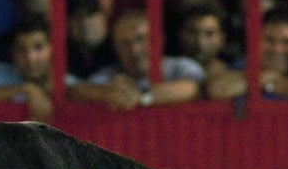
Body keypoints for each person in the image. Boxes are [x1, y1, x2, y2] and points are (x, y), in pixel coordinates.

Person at [68, 9, 205, 110]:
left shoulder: (180, 66)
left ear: (159, 39)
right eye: (125, 43)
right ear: (115, 49)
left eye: (141, 39)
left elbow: (194, 87)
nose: (134, 50)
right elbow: (76, 90)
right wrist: (106, 93)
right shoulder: (111, 74)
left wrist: (142, 98)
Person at [206, 5, 288, 100]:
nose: (277, 49)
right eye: (269, 40)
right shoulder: (244, 66)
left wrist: (269, 85)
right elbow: (217, 89)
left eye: (287, 42)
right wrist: (266, 78)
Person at [0, 15, 57, 121]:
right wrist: (27, 89)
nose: (30, 58)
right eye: (21, 50)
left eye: (38, 47)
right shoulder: (2, 71)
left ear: (52, 49)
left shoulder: (63, 78)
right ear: (12, 53)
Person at [176, 3, 233, 79]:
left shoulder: (235, 72)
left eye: (209, 34)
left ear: (222, 37)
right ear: (180, 34)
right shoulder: (166, 70)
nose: (200, 42)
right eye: (192, 32)